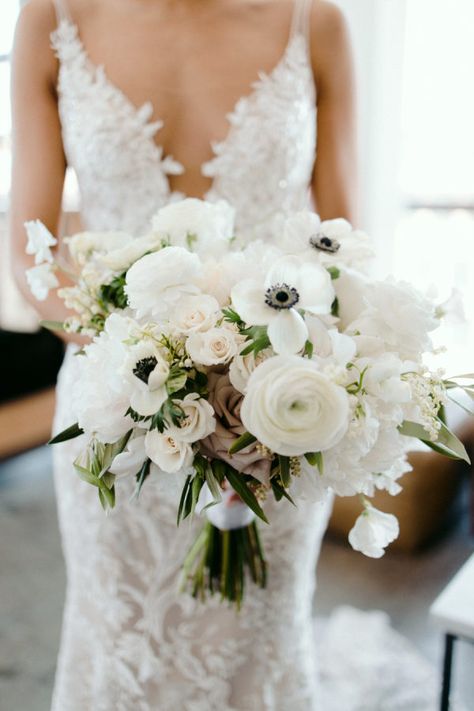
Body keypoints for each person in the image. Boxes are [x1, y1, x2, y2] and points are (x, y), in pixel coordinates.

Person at [9, 2, 433, 710]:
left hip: (279, 400)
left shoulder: (314, 21)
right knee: (122, 632)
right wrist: (147, 359)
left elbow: (343, 241)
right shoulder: (53, 17)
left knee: (255, 634)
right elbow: (32, 256)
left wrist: (264, 369)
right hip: (115, 404)